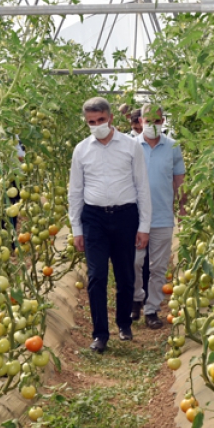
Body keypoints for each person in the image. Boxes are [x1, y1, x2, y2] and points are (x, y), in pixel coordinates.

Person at [68, 97, 151, 353]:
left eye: (101, 120)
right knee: (97, 277)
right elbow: (76, 190)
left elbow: (142, 186)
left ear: (111, 118)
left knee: (126, 275)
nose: (97, 125)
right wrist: (76, 229)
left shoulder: (130, 146)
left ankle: (124, 323)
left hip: (126, 216)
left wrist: (144, 225)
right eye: (91, 122)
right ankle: (100, 334)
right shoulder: (81, 150)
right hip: (94, 218)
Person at [134, 104, 186, 329]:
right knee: (134, 262)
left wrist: (182, 208)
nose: (153, 125)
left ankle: (152, 309)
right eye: (148, 121)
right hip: (134, 217)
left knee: (158, 267)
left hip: (163, 215)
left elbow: (179, 180)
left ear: (163, 121)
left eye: (157, 121)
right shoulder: (131, 146)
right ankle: (136, 298)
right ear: (140, 122)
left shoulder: (173, 147)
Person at [127, 108, 151, 320]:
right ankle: (136, 300)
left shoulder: (165, 143)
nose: (138, 130)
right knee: (136, 260)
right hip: (134, 208)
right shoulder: (127, 144)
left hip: (157, 209)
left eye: (139, 126)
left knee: (150, 261)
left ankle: (149, 304)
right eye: (135, 127)